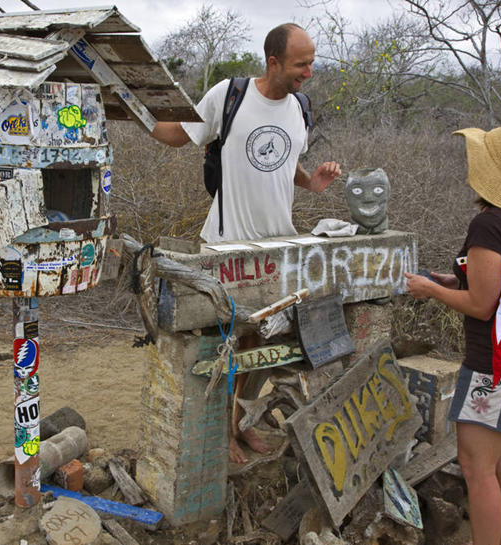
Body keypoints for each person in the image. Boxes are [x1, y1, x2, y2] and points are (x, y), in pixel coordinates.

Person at [151, 23, 342, 462]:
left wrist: (311, 182)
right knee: (224, 346)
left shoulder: (301, 107)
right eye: (301, 64)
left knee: (259, 349)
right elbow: (178, 134)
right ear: (273, 61)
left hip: (276, 252)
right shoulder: (229, 95)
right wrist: (134, 109)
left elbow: (286, 162)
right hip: (226, 248)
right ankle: (222, 431)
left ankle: (240, 423)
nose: (309, 72)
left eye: (311, 63)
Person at [404, 124, 501, 545]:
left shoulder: (487, 225)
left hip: (494, 365)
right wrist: (456, 280)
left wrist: (430, 290)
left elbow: (483, 305)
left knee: (476, 468)